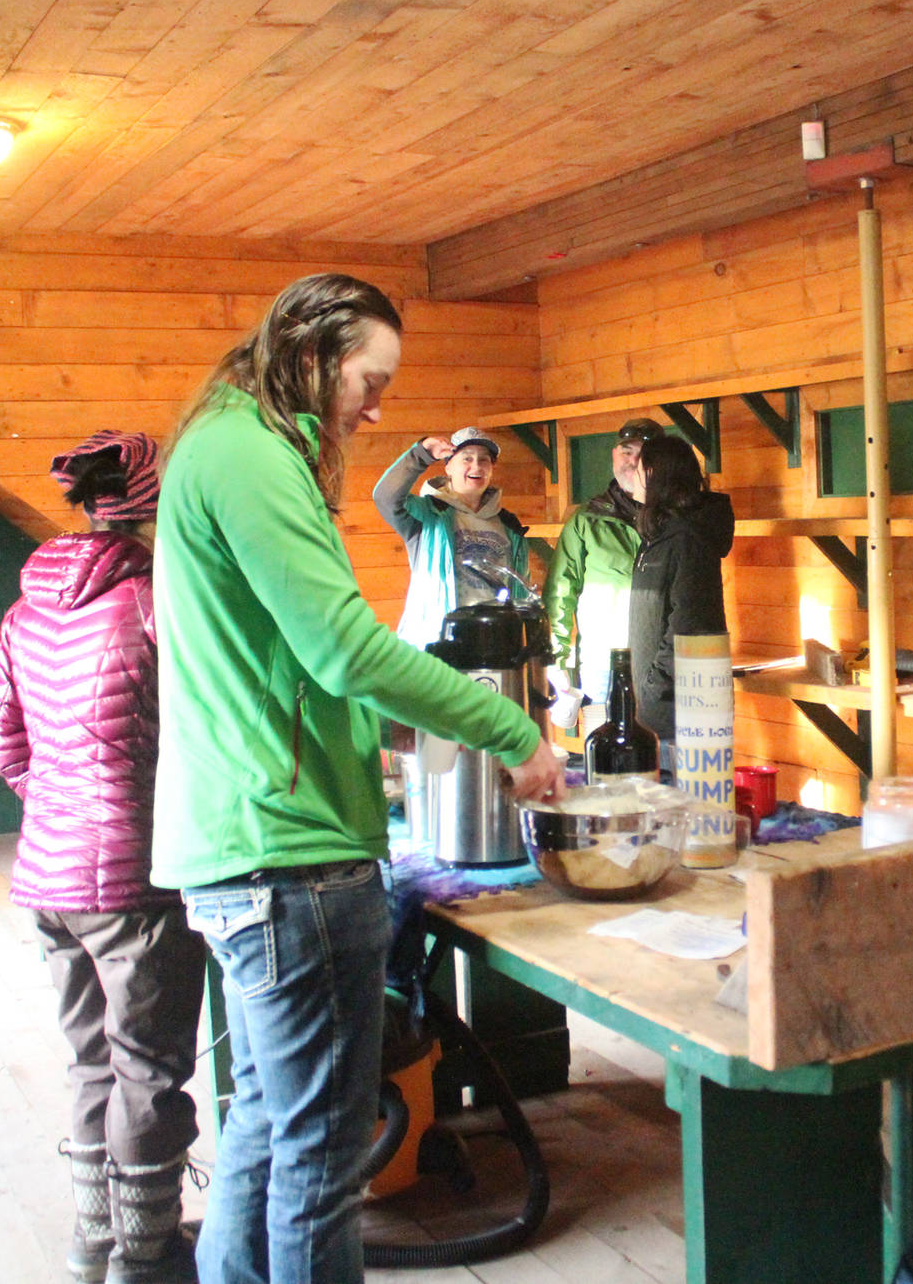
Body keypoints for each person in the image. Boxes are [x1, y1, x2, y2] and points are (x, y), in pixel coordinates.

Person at [149, 274, 565, 1284]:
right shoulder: (249, 454)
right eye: (366, 381)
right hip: (283, 855)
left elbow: (289, 662)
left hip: (246, 837)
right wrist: (510, 731)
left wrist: (364, 745)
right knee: (319, 1157)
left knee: (265, 1118)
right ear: (309, 352)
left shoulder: (230, 441)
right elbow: (340, 647)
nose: (375, 408)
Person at [0, 430, 206, 1284]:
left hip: (47, 876)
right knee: (149, 1066)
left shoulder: (24, 608)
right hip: (132, 880)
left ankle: (93, 1242)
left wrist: (62, 808)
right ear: (154, 510)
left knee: (89, 1058)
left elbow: (6, 746)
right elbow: (201, 734)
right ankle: (147, 1256)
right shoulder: (155, 600)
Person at [542, 418, 660, 735]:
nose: (632, 461)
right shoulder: (586, 520)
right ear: (613, 455)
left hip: (662, 662)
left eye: (643, 453)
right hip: (601, 664)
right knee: (603, 753)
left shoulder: (673, 519)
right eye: (626, 451)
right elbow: (560, 593)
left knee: (660, 760)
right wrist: (559, 659)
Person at [374, 425, 531, 647]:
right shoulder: (427, 515)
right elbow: (385, 497)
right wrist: (422, 454)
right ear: (448, 467)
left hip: (496, 646)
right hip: (438, 646)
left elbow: (520, 592)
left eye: (484, 460)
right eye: (466, 458)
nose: (476, 466)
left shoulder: (510, 526)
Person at [627, 434, 734, 749]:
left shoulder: (687, 538)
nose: (632, 474)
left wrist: (653, 688)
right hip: (660, 707)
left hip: (684, 709)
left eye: (639, 467)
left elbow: (689, 623)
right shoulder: (662, 536)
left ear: (658, 476)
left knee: (683, 797)